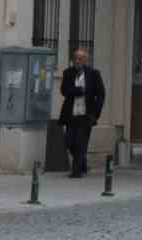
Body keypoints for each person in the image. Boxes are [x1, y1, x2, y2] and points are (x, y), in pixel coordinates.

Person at [58, 48, 105, 178]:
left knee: (81, 143)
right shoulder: (68, 73)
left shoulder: (93, 74)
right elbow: (64, 91)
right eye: (75, 58)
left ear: (86, 60)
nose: (77, 61)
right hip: (71, 114)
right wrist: (78, 90)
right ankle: (82, 163)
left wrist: (96, 113)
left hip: (86, 115)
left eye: (80, 59)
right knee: (69, 142)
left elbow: (101, 95)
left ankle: (76, 171)